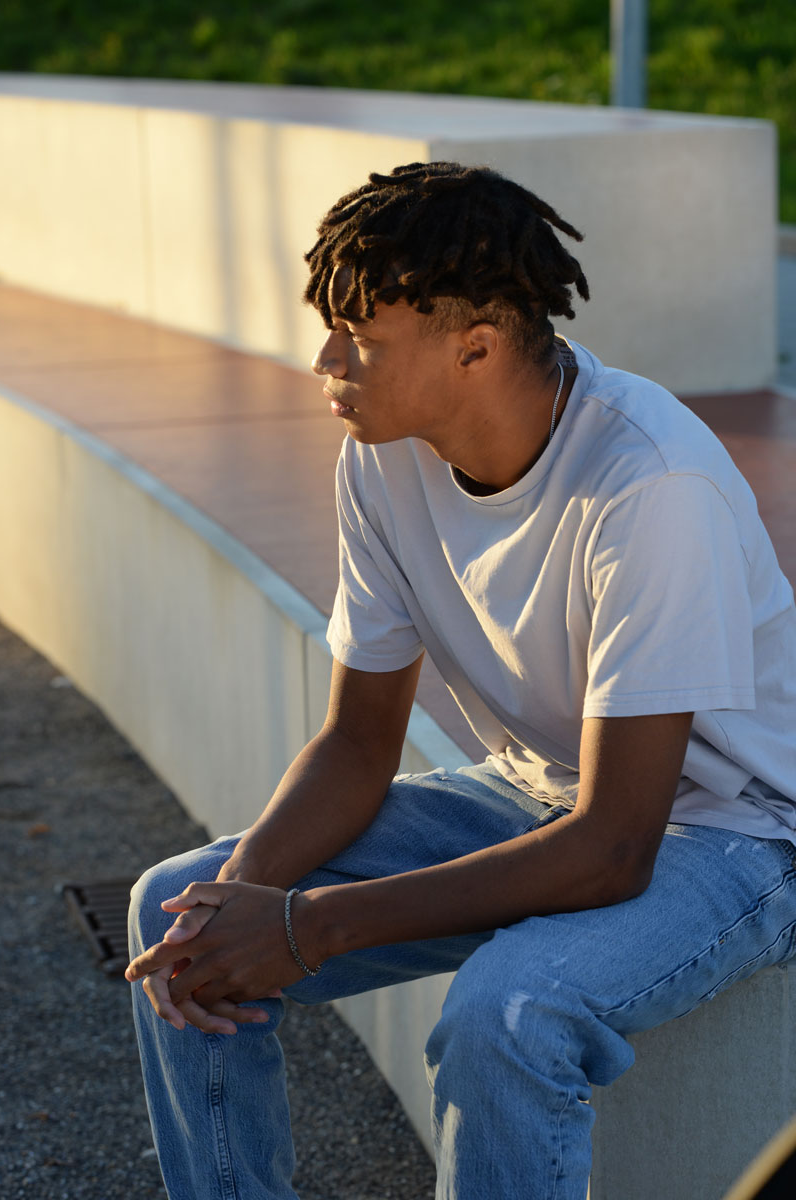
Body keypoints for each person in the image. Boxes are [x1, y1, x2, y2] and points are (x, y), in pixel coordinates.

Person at [126, 161, 796, 1200]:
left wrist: (307, 927)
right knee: (173, 912)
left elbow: (616, 847)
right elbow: (358, 743)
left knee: (506, 1013)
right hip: (540, 790)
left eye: (360, 338)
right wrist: (240, 899)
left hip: (736, 833)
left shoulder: (649, 484)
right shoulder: (382, 456)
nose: (326, 360)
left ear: (474, 347)